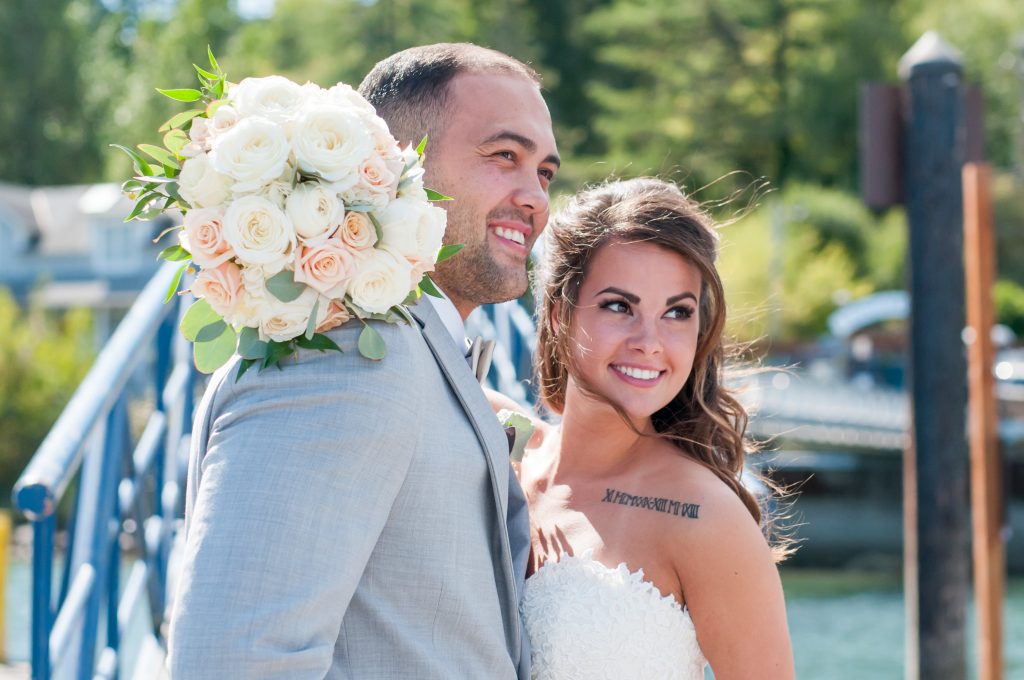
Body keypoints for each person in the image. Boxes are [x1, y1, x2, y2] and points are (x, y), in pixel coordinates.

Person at [168, 42, 559, 679]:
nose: (535, 197)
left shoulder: (418, 351)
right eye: (504, 157)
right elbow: (233, 660)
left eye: (544, 172)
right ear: (393, 167)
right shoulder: (344, 347)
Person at [519, 177, 794, 679]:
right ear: (560, 315)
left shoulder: (706, 517)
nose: (649, 341)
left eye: (677, 312)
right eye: (619, 306)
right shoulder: (506, 455)